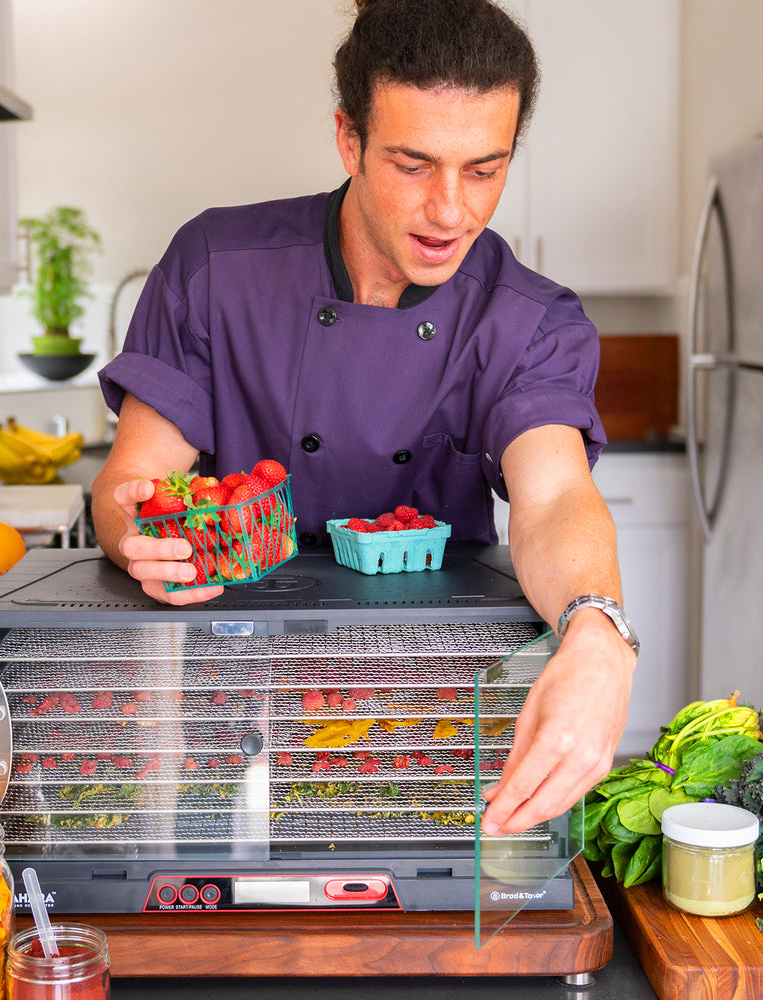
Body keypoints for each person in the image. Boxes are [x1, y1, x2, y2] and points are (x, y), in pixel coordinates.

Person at [92, 0, 637, 838]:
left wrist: (598, 632)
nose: (450, 210)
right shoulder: (215, 268)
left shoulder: (530, 320)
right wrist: (138, 534)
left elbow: (556, 496)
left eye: (484, 169)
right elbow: (130, 481)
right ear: (349, 139)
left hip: (427, 709)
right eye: (414, 165)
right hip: (229, 704)